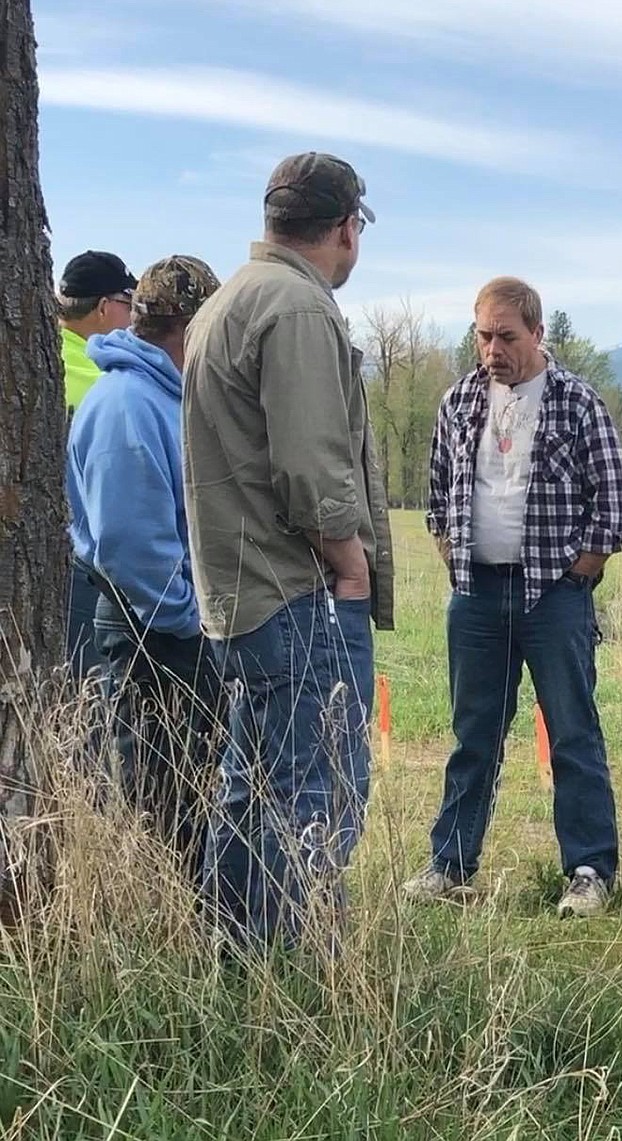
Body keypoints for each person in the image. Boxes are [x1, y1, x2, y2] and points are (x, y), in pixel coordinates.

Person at [183, 152, 395, 949]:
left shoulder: (229, 300)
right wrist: (349, 562)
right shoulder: (298, 307)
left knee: (252, 787)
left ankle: (235, 961)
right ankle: (293, 974)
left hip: (243, 592)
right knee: (317, 790)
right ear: (346, 228)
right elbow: (309, 468)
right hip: (295, 589)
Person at [405, 276, 622, 918]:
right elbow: (436, 494)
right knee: (472, 734)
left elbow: (613, 504)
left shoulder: (576, 403)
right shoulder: (459, 403)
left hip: (552, 598)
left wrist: (577, 574)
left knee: (572, 733)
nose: (493, 349)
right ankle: (450, 863)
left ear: (537, 333)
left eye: (507, 336)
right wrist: (449, 550)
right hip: (477, 594)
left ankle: (589, 870)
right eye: (483, 336)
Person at [67, 256, 223, 887]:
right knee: (158, 797)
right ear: (189, 328)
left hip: (176, 624)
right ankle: (161, 927)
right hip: (149, 631)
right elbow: (132, 548)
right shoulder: (128, 404)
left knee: (195, 790)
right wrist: (191, 620)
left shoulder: (166, 395)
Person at [57, 249, 139, 682]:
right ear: (106, 307)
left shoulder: (41, 354)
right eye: (130, 303)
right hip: (84, 564)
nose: (133, 318)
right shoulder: (104, 378)